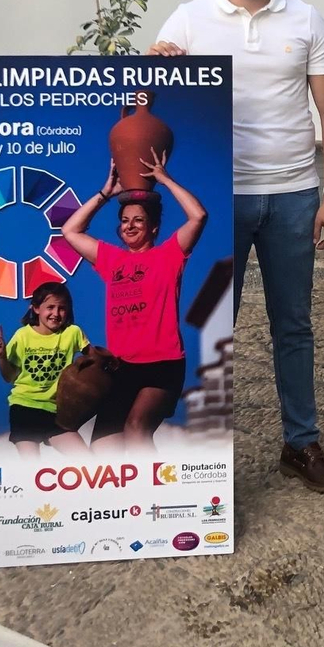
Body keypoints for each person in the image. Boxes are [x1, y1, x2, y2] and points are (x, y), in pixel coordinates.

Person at [149, 0, 324, 493]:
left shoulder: (306, 19)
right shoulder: (187, 21)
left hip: (291, 195)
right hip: (219, 198)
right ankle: (194, 456)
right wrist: (158, 68)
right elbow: (148, 100)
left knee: (294, 324)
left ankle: (301, 443)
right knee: (212, 324)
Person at [60, 150, 207, 452]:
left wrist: (165, 180)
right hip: (121, 367)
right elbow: (70, 231)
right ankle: (123, 498)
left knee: (136, 428)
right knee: (103, 449)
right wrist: (105, 193)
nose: (129, 225)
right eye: (125, 220)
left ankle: (159, 496)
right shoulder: (111, 260)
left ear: (153, 227)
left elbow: (198, 215)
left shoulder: (168, 256)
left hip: (163, 365)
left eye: (138, 220)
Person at [0, 282, 91, 459]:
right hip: (24, 407)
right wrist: (1, 357)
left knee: (85, 459)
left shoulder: (73, 332)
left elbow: (95, 358)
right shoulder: (22, 335)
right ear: (36, 308)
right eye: (50, 307)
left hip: (57, 411)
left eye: (62, 308)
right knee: (32, 467)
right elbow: (9, 376)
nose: (56, 313)